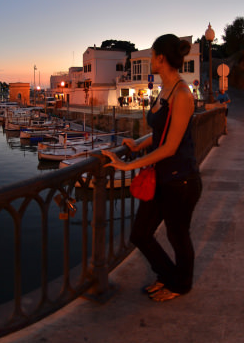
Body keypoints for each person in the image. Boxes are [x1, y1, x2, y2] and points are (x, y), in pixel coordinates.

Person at [103, 34, 201, 302]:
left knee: (177, 235)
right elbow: (161, 134)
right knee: (140, 234)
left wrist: (128, 165)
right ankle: (168, 276)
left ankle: (181, 285)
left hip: (181, 180)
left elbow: (170, 147)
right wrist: (136, 144)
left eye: (151, 55)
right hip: (162, 177)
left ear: (161, 58)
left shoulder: (182, 94)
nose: (148, 60)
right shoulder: (164, 90)